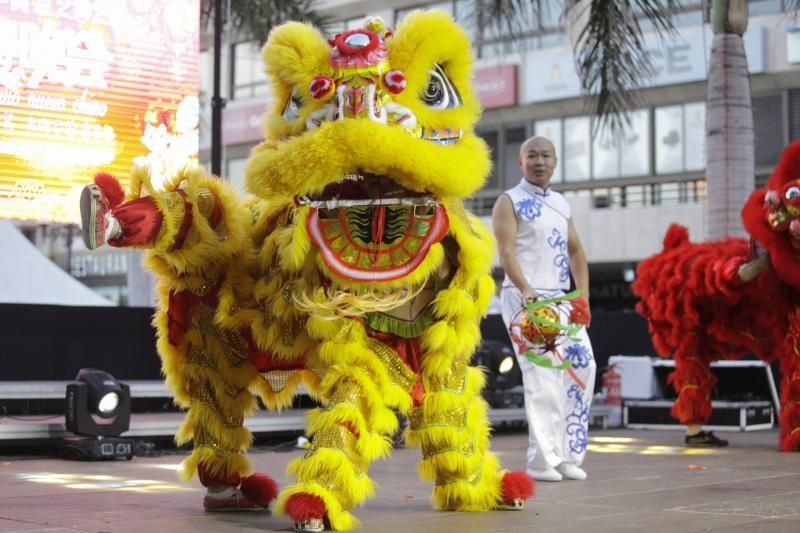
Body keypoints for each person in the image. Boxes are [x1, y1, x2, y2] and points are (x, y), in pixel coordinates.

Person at [492, 136, 597, 482]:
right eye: (531, 156)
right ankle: (541, 461)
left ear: (555, 160)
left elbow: (577, 251)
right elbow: (506, 253)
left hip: (561, 300)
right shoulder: (509, 201)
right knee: (543, 375)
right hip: (526, 300)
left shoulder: (561, 203)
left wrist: (581, 296)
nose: (539, 162)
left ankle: (567, 455)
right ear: (520, 162)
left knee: (583, 366)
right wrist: (526, 289)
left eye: (545, 156)